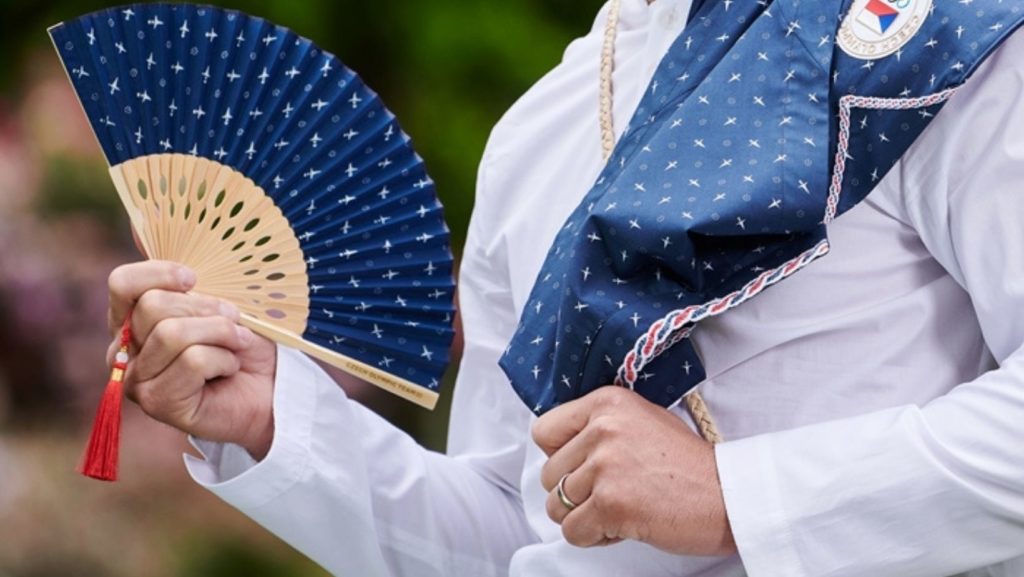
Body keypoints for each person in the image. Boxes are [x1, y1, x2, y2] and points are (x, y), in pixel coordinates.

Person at [105, 0, 1024, 575]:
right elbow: (523, 532)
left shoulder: (941, 42)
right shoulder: (541, 124)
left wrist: (734, 494)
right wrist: (275, 416)